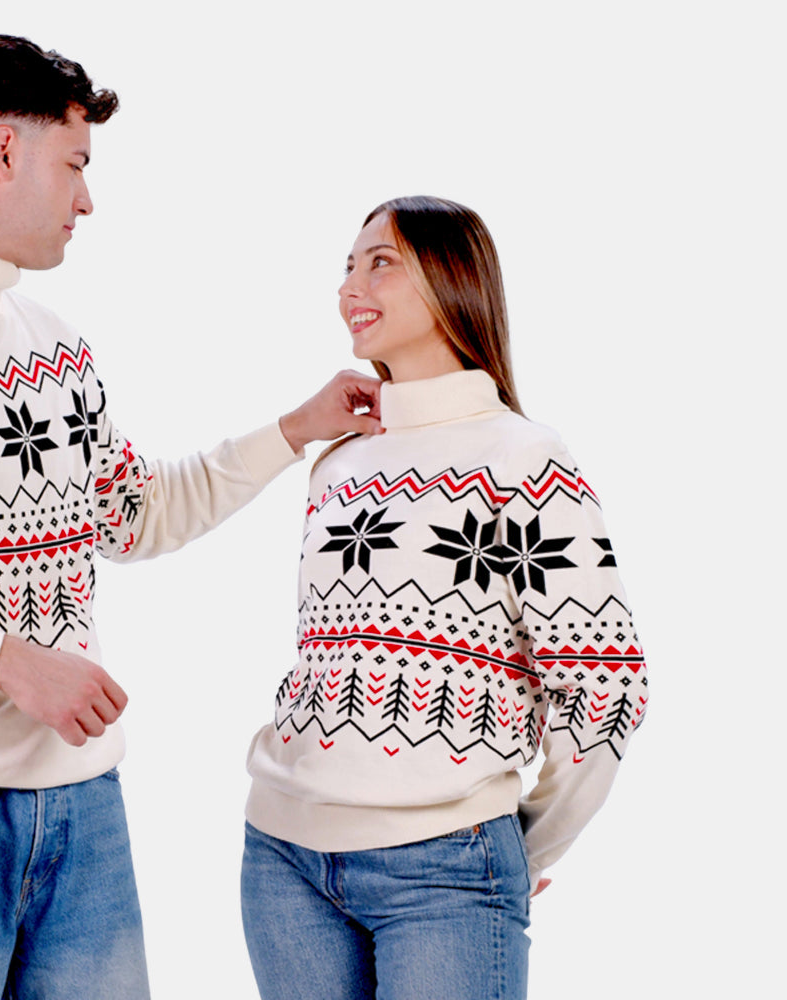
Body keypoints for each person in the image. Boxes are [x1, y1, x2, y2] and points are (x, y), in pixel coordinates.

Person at [0, 33, 381, 1000]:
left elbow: (136, 514)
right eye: (75, 164)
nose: (88, 199)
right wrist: (7, 663)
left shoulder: (54, 349)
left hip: (81, 811)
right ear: (3, 152)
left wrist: (293, 432)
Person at [241, 196, 648, 999]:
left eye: (380, 263)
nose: (350, 287)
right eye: (347, 267)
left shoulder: (525, 459)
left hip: (447, 870)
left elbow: (604, 686)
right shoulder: (339, 462)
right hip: (283, 859)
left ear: (451, 280)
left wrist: (524, 850)